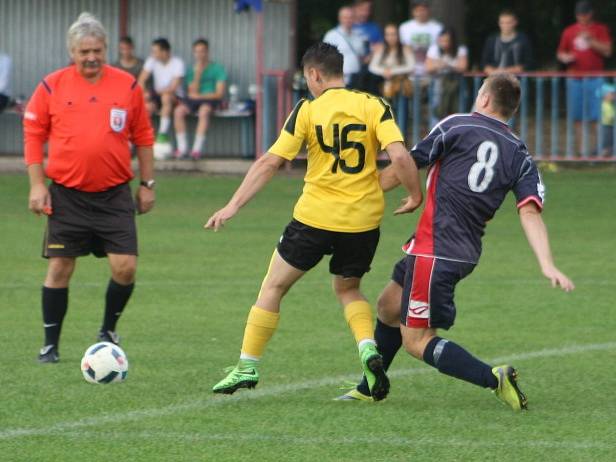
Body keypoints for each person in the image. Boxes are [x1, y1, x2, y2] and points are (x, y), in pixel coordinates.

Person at [338, 73, 575, 411]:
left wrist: (355, 195)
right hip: (457, 252)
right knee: (388, 306)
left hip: (435, 249)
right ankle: (370, 386)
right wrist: (547, 263)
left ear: (485, 99)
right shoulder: (520, 154)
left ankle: (495, 378)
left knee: (417, 341)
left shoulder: (457, 125)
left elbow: (406, 164)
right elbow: (530, 212)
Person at [205, 42, 423, 400]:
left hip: (314, 218)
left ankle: (246, 365)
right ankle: (368, 349)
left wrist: (232, 206)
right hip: (362, 222)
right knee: (348, 289)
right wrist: (416, 195)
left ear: (314, 74)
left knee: (273, 287)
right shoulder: (373, 105)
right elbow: (399, 155)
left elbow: (270, 162)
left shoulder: (307, 109)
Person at [23, 12, 155, 363]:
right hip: (66, 194)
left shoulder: (127, 86)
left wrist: (147, 184)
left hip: (114, 194)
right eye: (84, 52)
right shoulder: (51, 86)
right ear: (72, 52)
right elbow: (33, 136)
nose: (92, 57)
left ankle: (108, 330)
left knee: (125, 267)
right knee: (60, 268)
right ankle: (50, 345)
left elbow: (143, 136)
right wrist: (38, 186)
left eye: (97, 50)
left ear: (106, 48)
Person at [557, 0, 612, 156]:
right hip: (575, 79)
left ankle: (598, 151)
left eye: (585, 15)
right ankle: (583, 152)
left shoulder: (600, 29)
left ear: (590, 14)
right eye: (579, 15)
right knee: (577, 118)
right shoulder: (569, 31)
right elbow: (561, 53)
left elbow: (607, 52)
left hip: (595, 79)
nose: (582, 18)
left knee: (597, 116)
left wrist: (591, 40)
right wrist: (565, 57)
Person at [173, 38, 227, 160]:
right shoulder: (192, 70)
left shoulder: (217, 69)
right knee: (178, 111)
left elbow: (219, 93)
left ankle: (196, 150)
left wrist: (200, 96)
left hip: (210, 99)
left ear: (207, 52)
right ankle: (182, 148)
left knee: (204, 111)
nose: (200, 55)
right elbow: (192, 92)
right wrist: (198, 74)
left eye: (202, 51)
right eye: (197, 52)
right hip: (195, 100)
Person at [138, 37, 185, 144]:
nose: (153, 54)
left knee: (166, 97)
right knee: (146, 107)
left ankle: (162, 134)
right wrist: (144, 94)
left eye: (155, 51)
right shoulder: (152, 61)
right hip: (157, 95)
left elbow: (172, 88)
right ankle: (143, 142)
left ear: (164, 51)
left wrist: (151, 93)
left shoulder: (178, 63)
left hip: (175, 97)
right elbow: (141, 80)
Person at [426, 27, 468, 119]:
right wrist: (438, 65)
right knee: (438, 109)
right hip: (438, 85)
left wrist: (448, 66)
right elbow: (428, 68)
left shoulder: (460, 49)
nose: (444, 43)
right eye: (442, 41)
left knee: (455, 109)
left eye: (447, 41)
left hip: (456, 85)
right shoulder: (434, 49)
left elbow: (463, 67)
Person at [369, 23, 415, 100]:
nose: (391, 37)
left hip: (401, 82)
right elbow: (372, 67)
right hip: (384, 81)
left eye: (393, 34)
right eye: (388, 34)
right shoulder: (381, 48)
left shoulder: (405, 48)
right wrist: (384, 72)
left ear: (398, 36)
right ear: (385, 36)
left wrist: (392, 71)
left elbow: (411, 66)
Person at [323, 6, 366, 88]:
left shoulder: (359, 36)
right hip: (339, 80)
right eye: (345, 17)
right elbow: (324, 58)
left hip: (356, 79)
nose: (348, 20)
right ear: (340, 18)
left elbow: (362, 57)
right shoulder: (331, 35)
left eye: (351, 17)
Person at [481, 10, 533, 75]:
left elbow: (528, 63)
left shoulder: (523, 40)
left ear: (515, 22)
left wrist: (506, 71)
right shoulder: (491, 40)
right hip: (494, 78)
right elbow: (484, 63)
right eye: (502, 23)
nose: (505, 25)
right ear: (499, 23)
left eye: (508, 23)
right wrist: (491, 71)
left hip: (516, 78)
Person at [399, 0, 443, 78]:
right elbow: (403, 48)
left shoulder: (438, 28)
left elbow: (441, 48)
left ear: (428, 11)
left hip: (433, 70)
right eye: (418, 10)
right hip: (411, 70)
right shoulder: (404, 27)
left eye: (423, 10)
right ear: (413, 12)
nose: (421, 13)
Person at [600, 83, 615, 156]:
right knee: (606, 143)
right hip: (606, 126)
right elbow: (610, 117)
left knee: (610, 143)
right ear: (605, 95)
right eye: (612, 94)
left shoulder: (610, 104)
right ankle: (598, 157)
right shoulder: (604, 105)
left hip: (610, 126)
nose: (614, 96)